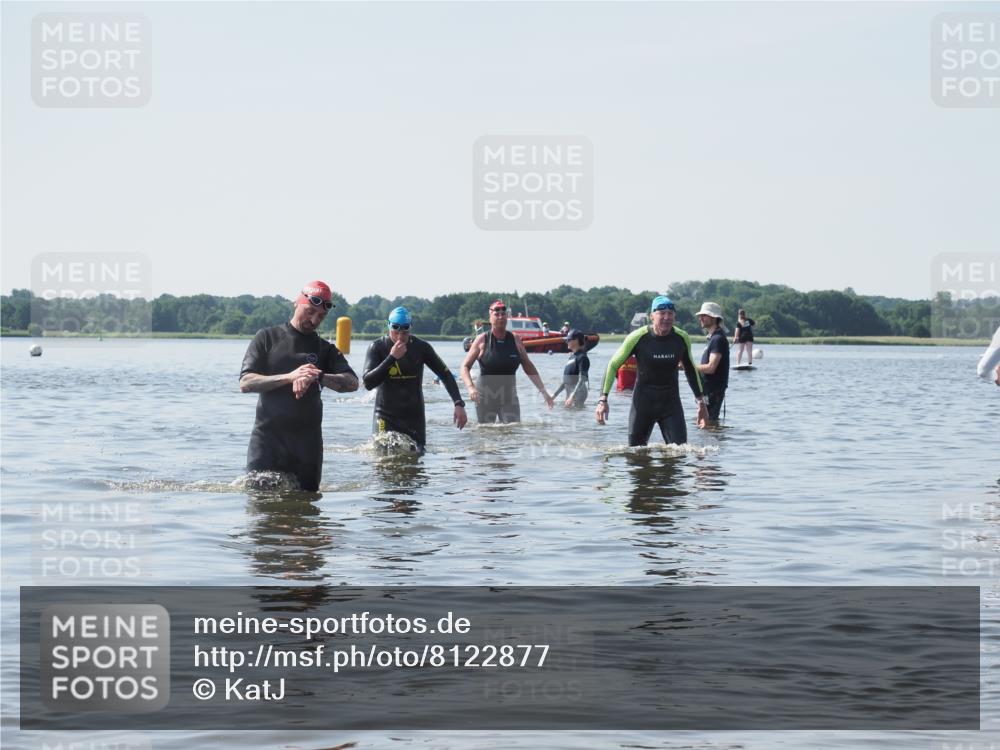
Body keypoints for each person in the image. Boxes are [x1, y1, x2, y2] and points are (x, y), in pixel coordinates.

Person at [240, 281, 359, 491]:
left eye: (320, 317)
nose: (313, 320)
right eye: (310, 311)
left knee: (307, 515)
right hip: (267, 443)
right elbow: (246, 383)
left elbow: (352, 383)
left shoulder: (325, 349)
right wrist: (290, 377)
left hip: (307, 448)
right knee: (262, 516)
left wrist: (318, 375)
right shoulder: (267, 338)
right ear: (297, 302)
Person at [596, 295, 708, 445]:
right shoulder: (638, 337)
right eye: (661, 313)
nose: (666, 317)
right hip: (643, 405)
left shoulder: (681, 338)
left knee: (679, 453)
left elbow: (690, 370)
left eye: (670, 313)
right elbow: (613, 365)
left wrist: (701, 403)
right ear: (652, 316)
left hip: (671, 405)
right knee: (636, 457)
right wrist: (603, 399)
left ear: (674, 316)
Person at [363, 306, 468, 450]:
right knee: (383, 463)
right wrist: (391, 357)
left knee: (416, 464)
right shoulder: (377, 347)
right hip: (385, 416)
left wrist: (458, 403)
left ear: (410, 328)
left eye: (405, 331)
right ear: (388, 326)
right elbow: (368, 382)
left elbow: (446, 375)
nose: (400, 336)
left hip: (414, 418)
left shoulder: (421, 348)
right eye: (396, 330)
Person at [460, 299, 555, 423]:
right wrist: (471, 388)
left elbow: (528, 367)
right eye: (497, 314)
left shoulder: (515, 339)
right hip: (485, 397)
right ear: (490, 318)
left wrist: (544, 391)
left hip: (509, 398)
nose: (500, 317)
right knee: (486, 433)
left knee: (513, 432)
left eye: (503, 314)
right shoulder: (482, 340)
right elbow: (464, 367)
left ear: (507, 318)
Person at [694, 302, 730, 422]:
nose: (701, 318)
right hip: (708, 389)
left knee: (708, 422)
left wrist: (688, 366)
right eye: (700, 315)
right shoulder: (713, 337)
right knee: (707, 424)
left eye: (704, 315)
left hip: (713, 389)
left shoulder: (718, 339)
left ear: (714, 318)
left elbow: (711, 367)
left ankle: (712, 441)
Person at [552, 329, 590, 408]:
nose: (566, 342)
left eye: (568, 340)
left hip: (578, 393)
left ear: (576, 341)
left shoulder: (582, 357)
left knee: (575, 417)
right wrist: (554, 395)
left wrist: (573, 395)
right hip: (570, 392)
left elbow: (582, 379)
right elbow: (566, 381)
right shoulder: (572, 357)